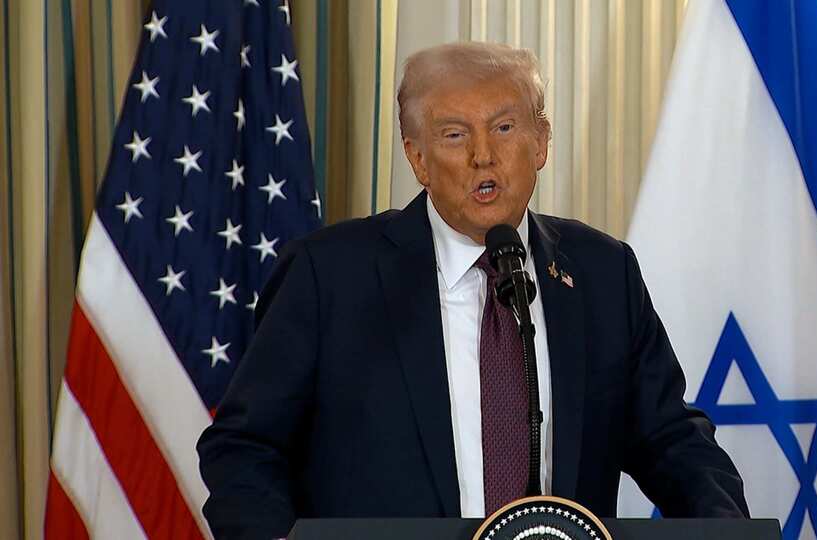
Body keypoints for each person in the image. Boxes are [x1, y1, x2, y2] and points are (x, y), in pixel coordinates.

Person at [197, 41, 748, 539]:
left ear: (541, 143)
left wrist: (727, 529)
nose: (483, 155)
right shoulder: (329, 276)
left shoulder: (602, 272)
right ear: (417, 158)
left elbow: (669, 439)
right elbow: (245, 446)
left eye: (504, 128)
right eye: (455, 135)